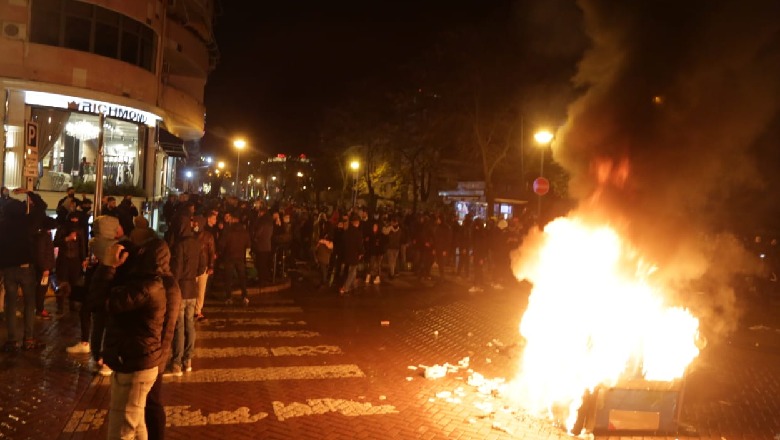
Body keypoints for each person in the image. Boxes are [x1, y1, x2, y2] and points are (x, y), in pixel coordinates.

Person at [102, 239, 166, 439]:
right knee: (136, 425)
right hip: (139, 358)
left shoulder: (145, 287)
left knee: (122, 429)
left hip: (136, 361)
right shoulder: (152, 283)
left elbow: (103, 301)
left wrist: (109, 267)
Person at [1, 189, 44, 352]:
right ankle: (29, 338)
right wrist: (29, 192)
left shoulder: (2, 225)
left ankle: (12, 340)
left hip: (8, 269)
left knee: (10, 305)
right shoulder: (28, 222)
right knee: (29, 303)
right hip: (25, 267)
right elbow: (41, 206)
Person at [165, 216, 203, 376]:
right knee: (189, 324)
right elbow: (202, 266)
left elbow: (177, 269)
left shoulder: (180, 245)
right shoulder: (197, 243)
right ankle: (188, 360)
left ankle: (176, 362)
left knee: (179, 326)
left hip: (181, 289)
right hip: (192, 289)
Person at [218, 210, 251, 305]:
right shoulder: (244, 231)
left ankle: (229, 297)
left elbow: (221, 244)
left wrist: (221, 252)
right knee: (242, 277)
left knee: (228, 278)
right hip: (240, 257)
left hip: (229, 256)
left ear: (232, 219)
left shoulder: (228, 231)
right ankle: (244, 295)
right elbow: (248, 244)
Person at [193, 213, 216, 321]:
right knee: (193, 290)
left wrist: (211, 266)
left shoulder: (208, 236)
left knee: (201, 290)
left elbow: (211, 252)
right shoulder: (190, 234)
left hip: (203, 267)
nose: (193, 224)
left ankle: (197, 311)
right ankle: (192, 310)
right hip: (192, 268)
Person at [339, 214, 364, 295]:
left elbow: (343, 243)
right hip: (354, 254)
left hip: (346, 254)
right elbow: (359, 245)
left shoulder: (346, 232)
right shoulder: (358, 233)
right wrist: (361, 252)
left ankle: (353, 284)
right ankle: (346, 287)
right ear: (357, 223)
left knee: (352, 270)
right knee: (352, 271)